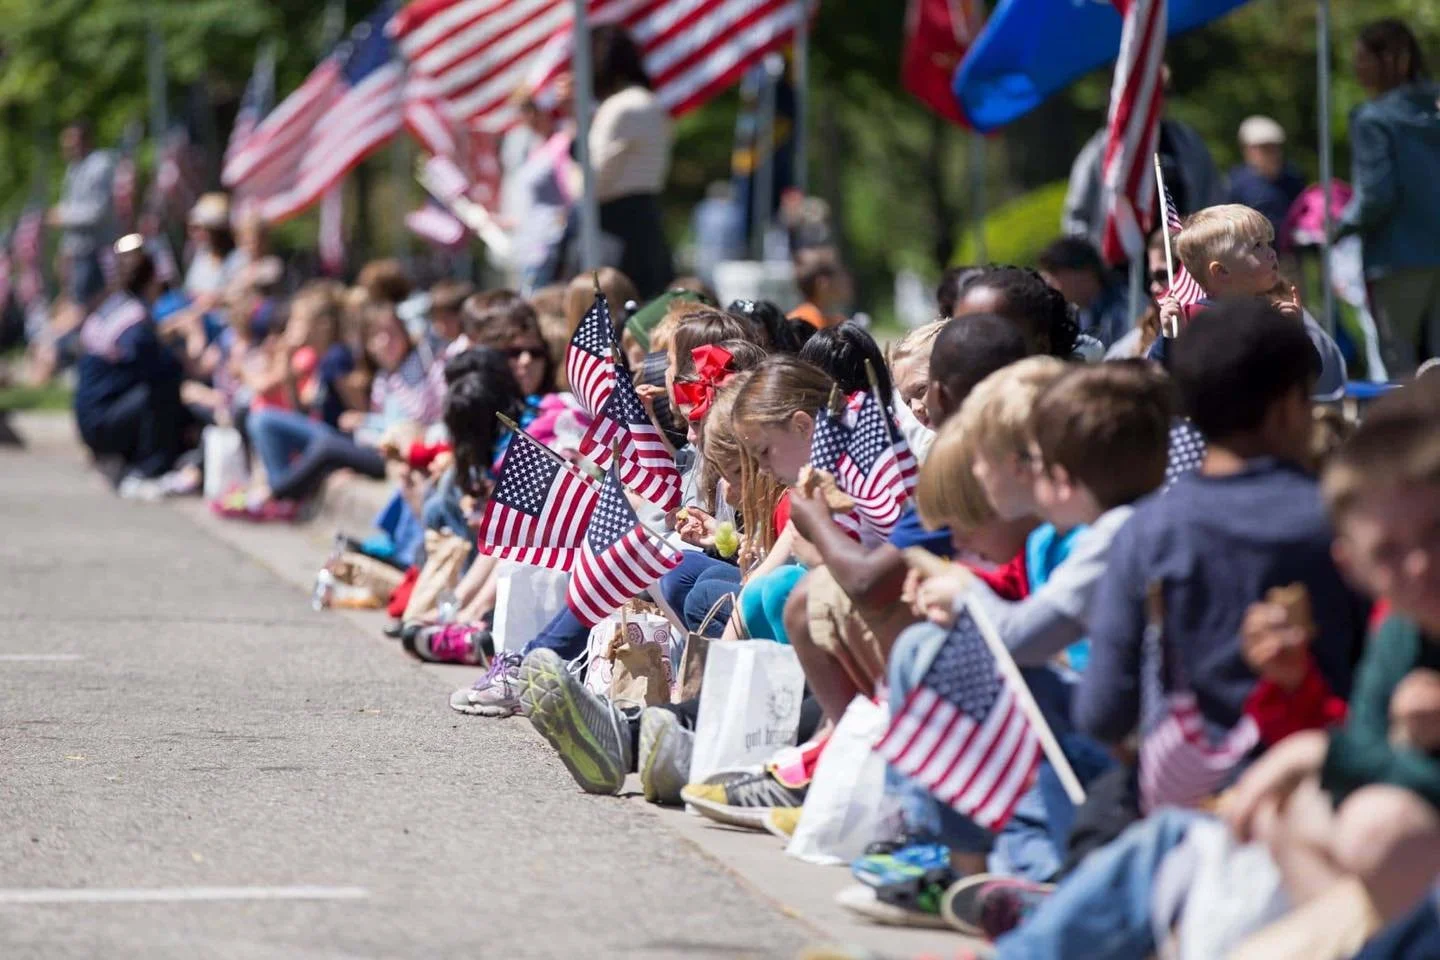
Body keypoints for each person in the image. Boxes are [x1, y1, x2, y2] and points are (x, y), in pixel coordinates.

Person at [1079, 298, 1368, 786]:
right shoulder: (1347, 523)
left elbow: (1102, 713)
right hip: (1335, 784)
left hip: (1195, 803)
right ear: (1286, 408)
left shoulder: (1146, 532)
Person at [1220, 377, 1440, 929]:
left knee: (1380, 826)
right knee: (1285, 813)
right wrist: (1296, 693)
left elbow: (1370, 780)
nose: (1418, 565)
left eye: (1437, 533)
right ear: (1353, 567)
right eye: (1388, 552)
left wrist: (1320, 751)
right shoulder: (1401, 632)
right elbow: (1362, 753)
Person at [1154, 204, 1348, 399]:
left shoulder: (1271, 315)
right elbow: (1159, 377)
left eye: (1268, 243)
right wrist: (1169, 338)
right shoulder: (1190, 319)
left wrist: (1295, 334)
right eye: (1257, 246)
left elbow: (1307, 375)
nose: (1271, 253)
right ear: (1221, 271)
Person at [1335, 18, 1440, 376]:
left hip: (1397, 257)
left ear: (1389, 60)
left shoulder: (1373, 119)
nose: (1357, 67)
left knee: (1401, 372)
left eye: (1363, 58)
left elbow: (1377, 195)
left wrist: (1335, 228)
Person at [73, 239, 186, 496]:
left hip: (90, 415)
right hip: (103, 422)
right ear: (153, 281)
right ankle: (147, 470)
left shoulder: (114, 308)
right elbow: (156, 368)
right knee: (162, 389)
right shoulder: (135, 321)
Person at [583, 25, 674, 299]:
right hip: (648, 221)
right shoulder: (654, 105)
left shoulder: (618, 109)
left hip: (614, 229)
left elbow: (593, 181)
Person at [50, 121, 116, 300]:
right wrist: (64, 250)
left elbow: (97, 211)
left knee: (91, 306)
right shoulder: (73, 170)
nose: (68, 149)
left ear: (85, 141)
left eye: (72, 143)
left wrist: (62, 216)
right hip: (78, 253)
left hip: (97, 253)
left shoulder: (100, 165)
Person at [1037, 237, 1132, 348]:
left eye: (1054, 273)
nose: (1049, 285)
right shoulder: (1078, 315)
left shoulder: (1125, 309)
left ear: (1085, 272)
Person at [1226, 116, 1307, 234]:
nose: (1273, 153)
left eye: (1275, 147)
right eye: (1264, 148)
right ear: (1247, 149)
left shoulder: (1293, 178)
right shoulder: (1234, 183)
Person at [788, 247, 851, 330]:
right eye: (839, 275)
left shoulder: (837, 321)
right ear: (822, 283)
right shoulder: (803, 323)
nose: (847, 280)